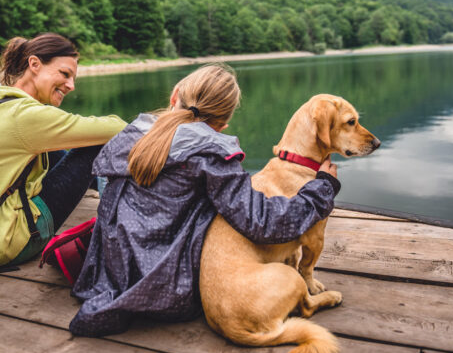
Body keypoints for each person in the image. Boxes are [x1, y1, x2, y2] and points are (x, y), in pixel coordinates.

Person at [70, 64, 340, 336]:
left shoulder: (132, 136)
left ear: (174, 96)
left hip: (108, 278)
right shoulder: (211, 158)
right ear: (223, 125)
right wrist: (321, 188)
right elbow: (263, 222)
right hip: (171, 291)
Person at [0, 33, 127, 272]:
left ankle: (97, 187)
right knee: (97, 144)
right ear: (34, 64)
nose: (71, 86)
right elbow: (118, 128)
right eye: (65, 74)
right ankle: (115, 234)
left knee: (49, 147)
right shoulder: (25, 115)